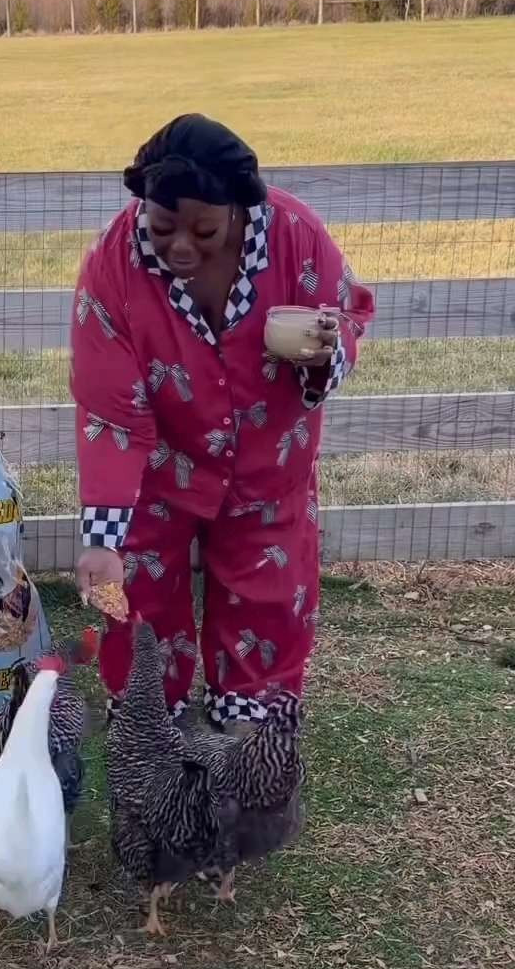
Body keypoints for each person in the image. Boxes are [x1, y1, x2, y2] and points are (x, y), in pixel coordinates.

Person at [71, 113, 375, 724]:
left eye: (205, 230)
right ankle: (155, 751)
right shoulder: (113, 264)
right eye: (162, 228)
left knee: (265, 612)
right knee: (140, 607)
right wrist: (102, 542)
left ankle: (252, 752)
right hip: (158, 472)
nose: (181, 247)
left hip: (269, 467)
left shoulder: (296, 234)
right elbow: (108, 410)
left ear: (237, 210)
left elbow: (349, 311)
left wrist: (326, 350)